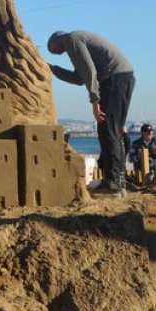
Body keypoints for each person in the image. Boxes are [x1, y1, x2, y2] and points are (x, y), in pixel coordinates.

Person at [47, 30, 135, 196]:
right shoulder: (76, 41)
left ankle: (113, 185)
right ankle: (117, 182)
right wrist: (54, 70)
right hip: (121, 78)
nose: (54, 53)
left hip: (115, 79)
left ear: (56, 39)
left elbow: (89, 72)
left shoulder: (72, 39)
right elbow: (80, 78)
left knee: (108, 130)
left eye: (51, 48)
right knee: (111, 131)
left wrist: (94, 101)